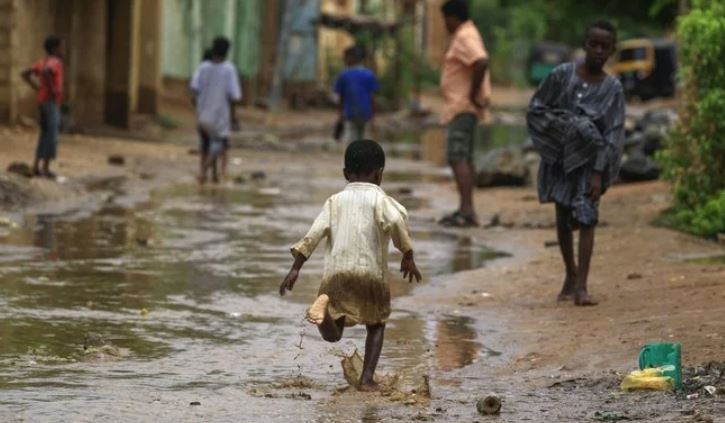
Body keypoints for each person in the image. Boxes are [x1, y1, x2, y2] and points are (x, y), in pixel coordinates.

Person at [279, 139, 422, 391]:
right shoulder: (381, 200)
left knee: (334, 333)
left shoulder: (334, 202)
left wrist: (296, 268)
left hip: (336, 276)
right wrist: (407, 254)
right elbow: (397, 222)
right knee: (376, 324)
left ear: (346, 174)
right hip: (370, 275)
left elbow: (313, 234)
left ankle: (322, 314)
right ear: (379, 174)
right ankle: (366, 379)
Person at [526, 21, 625, 306]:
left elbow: (613, 133)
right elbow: (536, 109)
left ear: (612, 50)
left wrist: (598, 174)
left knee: (587, 218)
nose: (598, 50)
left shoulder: (613, 89)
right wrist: (569, 129)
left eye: (605, 46)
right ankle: (569, 274)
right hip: (559, 161)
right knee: (563, 219)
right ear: (585, 44)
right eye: (593, 44)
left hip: (590, 165)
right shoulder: (561, 75)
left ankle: (582, 285)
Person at [438, 0, 490, 227]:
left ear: (453, 17)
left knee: (458, 156)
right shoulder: (467, 33)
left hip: (463, 107)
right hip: (462, 107)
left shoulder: (465, 35)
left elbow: (481, 62)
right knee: (463, 157)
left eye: (445, 19)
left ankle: (467, 210)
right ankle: (465, 208)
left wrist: (471, 94)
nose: (445, 25)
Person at [190, 37, 241, 183]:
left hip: (203, 115)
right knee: (219, 146)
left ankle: (211, 175)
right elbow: (234, 96)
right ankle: (204, 173)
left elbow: (194, 89)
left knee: (205, 146)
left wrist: (198, 106)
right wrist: (234, 117)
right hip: (219, 117)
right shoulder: (229, 69)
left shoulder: (203, 67)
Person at [21, 35, 65, 179]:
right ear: (54, 48)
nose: (63, 50)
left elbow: (25, 74)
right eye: (61, 47)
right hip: (51, 102)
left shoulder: (42, 61)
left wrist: (38, 88)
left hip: (42, 101)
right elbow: (47, 71)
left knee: (44, 133)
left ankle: (35, 167)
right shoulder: (55, 62)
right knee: (51, 135)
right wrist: (53, 89)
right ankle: (45, 168)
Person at [334, 45, 379, 142]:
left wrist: (340, 116)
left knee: (352, 141)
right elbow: (372, 97)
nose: (344, 60)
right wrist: (373, 117)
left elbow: (341, 98)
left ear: (350, 58)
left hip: (350, 113)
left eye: (345, 57)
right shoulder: (369, 74)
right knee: (365, 141)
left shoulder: (343, 75)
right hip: (366, 113)